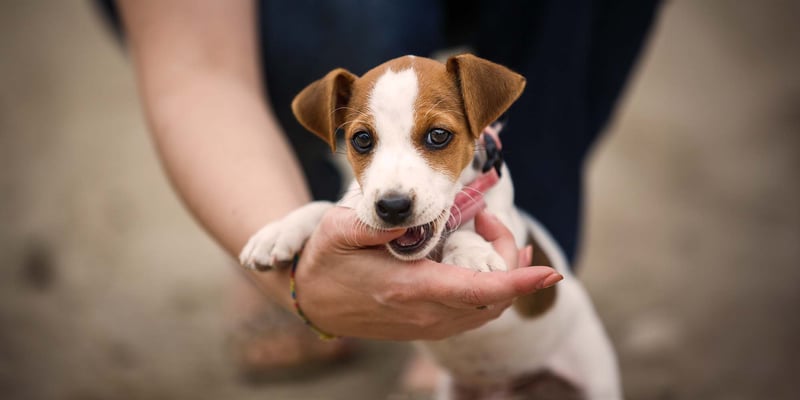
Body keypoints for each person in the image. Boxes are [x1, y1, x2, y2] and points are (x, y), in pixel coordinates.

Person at [106, 0, 659, 381]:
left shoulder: (483, 121)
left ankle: (474, 303)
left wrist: (470, 243)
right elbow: (197, 70)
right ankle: (296, 235)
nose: (394, 189)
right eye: (364, 142)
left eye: (436, 137)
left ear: (482, 123)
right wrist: (291, 244)